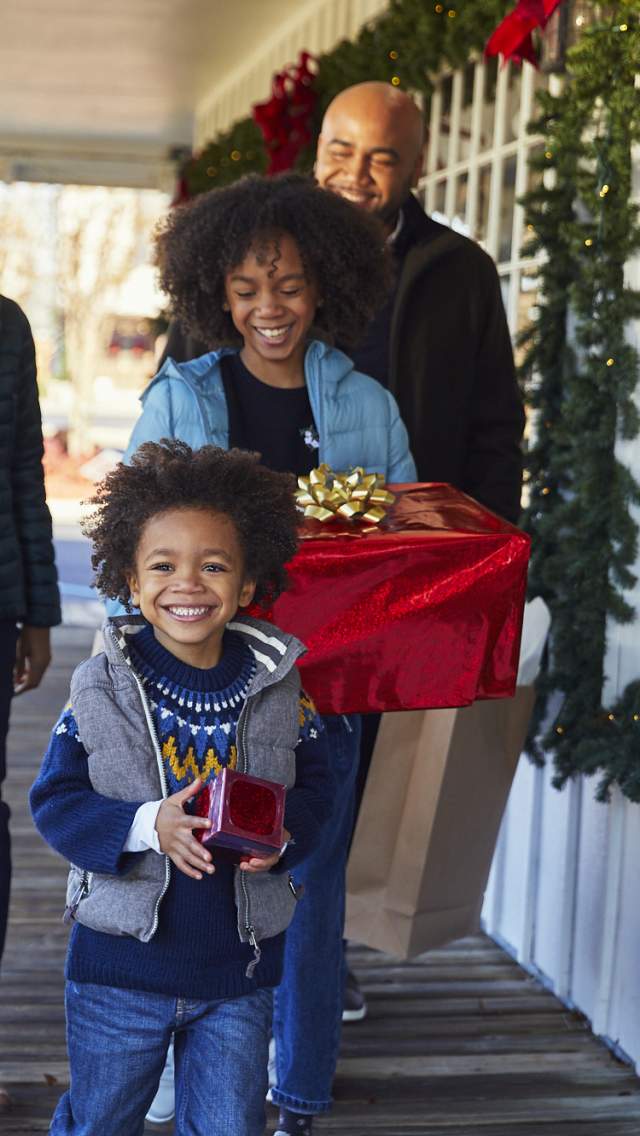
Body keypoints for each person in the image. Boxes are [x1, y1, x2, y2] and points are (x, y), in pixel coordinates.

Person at [120, 173, 416, 1134]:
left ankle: (297, 1097)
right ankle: (183, 1060)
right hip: (202, 686)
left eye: (286, 284)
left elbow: (406, 542)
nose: (268, 308)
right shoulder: (181, 394)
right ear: (217, 291)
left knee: (308, 883)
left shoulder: (366, 403)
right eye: (247, 288)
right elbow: (134, 545)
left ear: (323, 282)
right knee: (194, 869)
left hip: (329, 690)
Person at [30, 439, 335, 1136]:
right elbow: (56, 801)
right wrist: (146, 827)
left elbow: (317, 783)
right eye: (163, 566)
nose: (188, 583)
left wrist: (288, 837)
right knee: (100, 1122)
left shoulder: (281, 688)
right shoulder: (99, 687)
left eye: (214, 566)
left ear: (248, 585)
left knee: (228, 1127)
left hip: (238, 973)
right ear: (131, 584)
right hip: (119, 971)